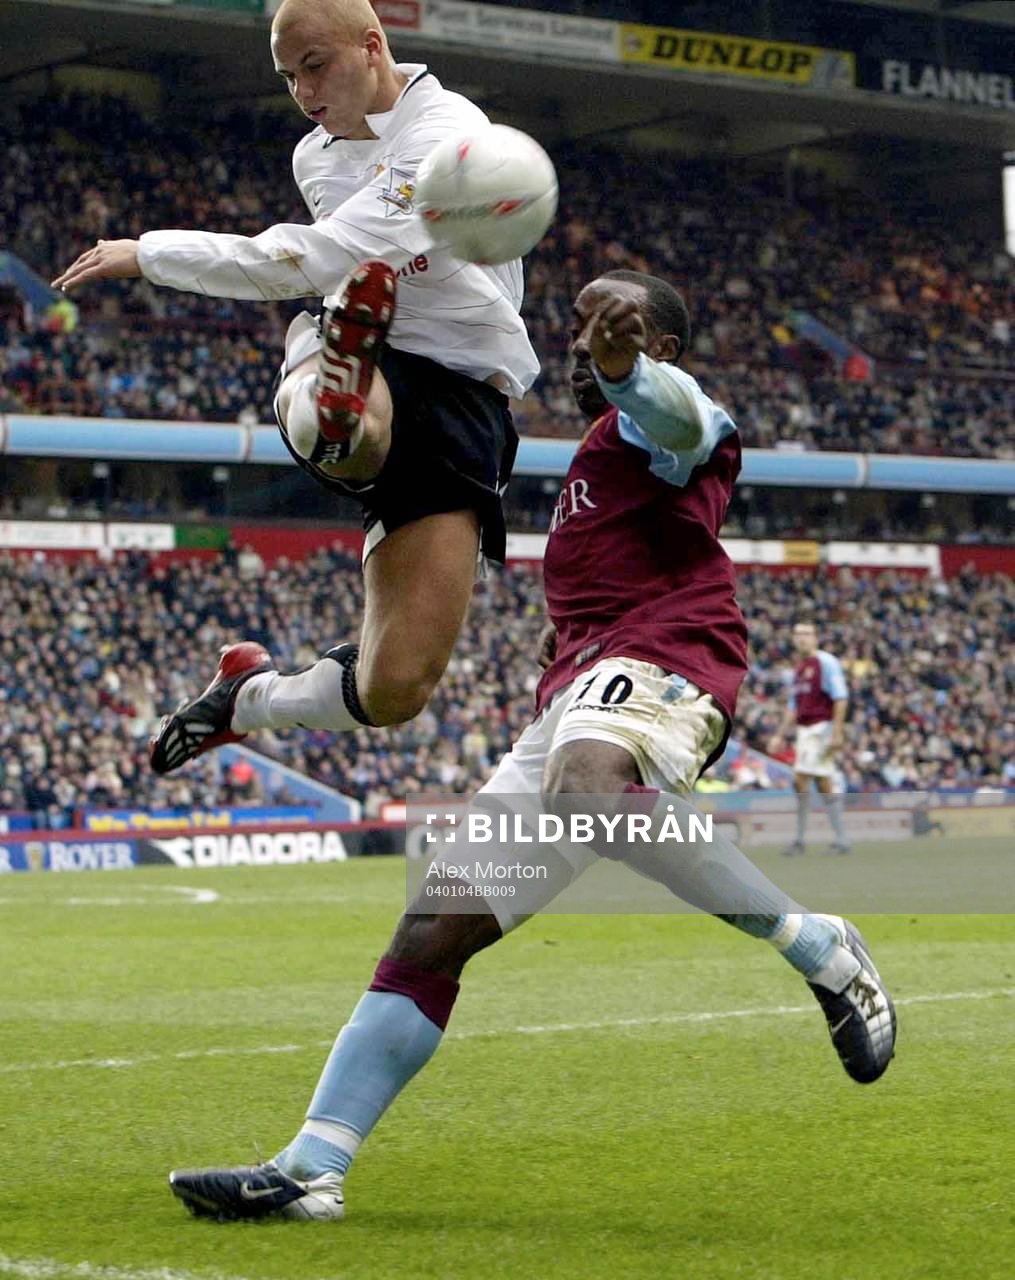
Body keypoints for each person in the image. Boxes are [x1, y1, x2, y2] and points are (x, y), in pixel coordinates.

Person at [167, 270, 896, 1223]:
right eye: (583, 319)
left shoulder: (668, 423)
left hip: (662, 666)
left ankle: (820, 946)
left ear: (658, 347)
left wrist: (632, 370)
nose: (584, 335)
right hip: (579, 693)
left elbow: (681, 423)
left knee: (587, 783)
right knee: (432, 932)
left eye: (612, 322)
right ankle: (313, 1168)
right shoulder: (594, 455)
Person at [51, 0, 539, 768]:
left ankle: (248, 696)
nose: (302, 90)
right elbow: (323, 270)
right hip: (375, 348)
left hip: (465, 394)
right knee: (350, 410)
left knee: (395, 689)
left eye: (316, 65)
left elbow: (313, 256)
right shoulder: (314, 156)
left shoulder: (443, 137)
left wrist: (150, 252)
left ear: (372, 46)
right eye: (286, 75)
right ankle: (333, 389)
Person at [769, 621, 851, 855]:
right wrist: (779, 735)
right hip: (805, 732)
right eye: (797, 634)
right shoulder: (798, 669)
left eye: (806, 634)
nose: (801, 638)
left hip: (821, 729)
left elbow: (840, 698)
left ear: (816, 637)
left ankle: (800, 840)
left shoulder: (825, 662)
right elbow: (793, 707)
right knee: (822, 784)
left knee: (800, 780)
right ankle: (840, 839)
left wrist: (837, 732)